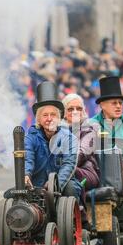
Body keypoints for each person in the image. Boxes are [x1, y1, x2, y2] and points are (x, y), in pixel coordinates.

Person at [24, 82, 90, 230]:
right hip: (37, 184)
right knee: (16, 196)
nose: (49, 119)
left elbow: (69, 164)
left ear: (59, 117)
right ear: (38, 119)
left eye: (53, 114)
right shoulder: (30, 137)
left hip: (62, 184)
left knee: (71, 189)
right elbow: (28, 157)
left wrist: (54, 186)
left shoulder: (69, 138)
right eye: (45, 115)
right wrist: (26, 174)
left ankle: (75, 226)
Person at [61, 93, 100, 191]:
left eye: (79, 109)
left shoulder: (90, 128)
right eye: (70, 109)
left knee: (64, 172)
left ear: (83, 111)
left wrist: (60, 164)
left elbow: (82, 153)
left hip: (86, 172)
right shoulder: (58, 130)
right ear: (64, 113)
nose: (75, 112)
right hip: (64, 169)